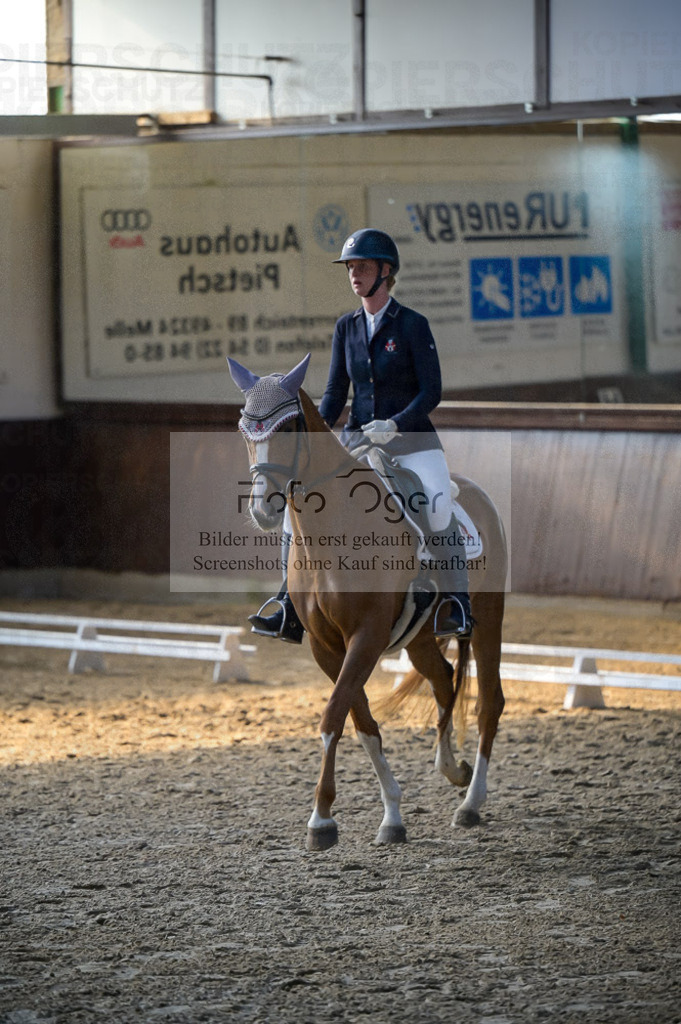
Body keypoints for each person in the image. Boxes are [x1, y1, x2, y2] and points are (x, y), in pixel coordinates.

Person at [248, 227, 472, 644]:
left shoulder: (412, 325)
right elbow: (335, 392)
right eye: (350, 267)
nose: (354, 274)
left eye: (363, 267)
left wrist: (395, 423)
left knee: (438, 503)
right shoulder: (346, 327)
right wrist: (316, 435)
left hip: (411, 443)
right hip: (355, 442)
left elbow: (432, 391)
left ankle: (455, 603)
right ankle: (288, 605)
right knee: (296, 511)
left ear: (386, 272)